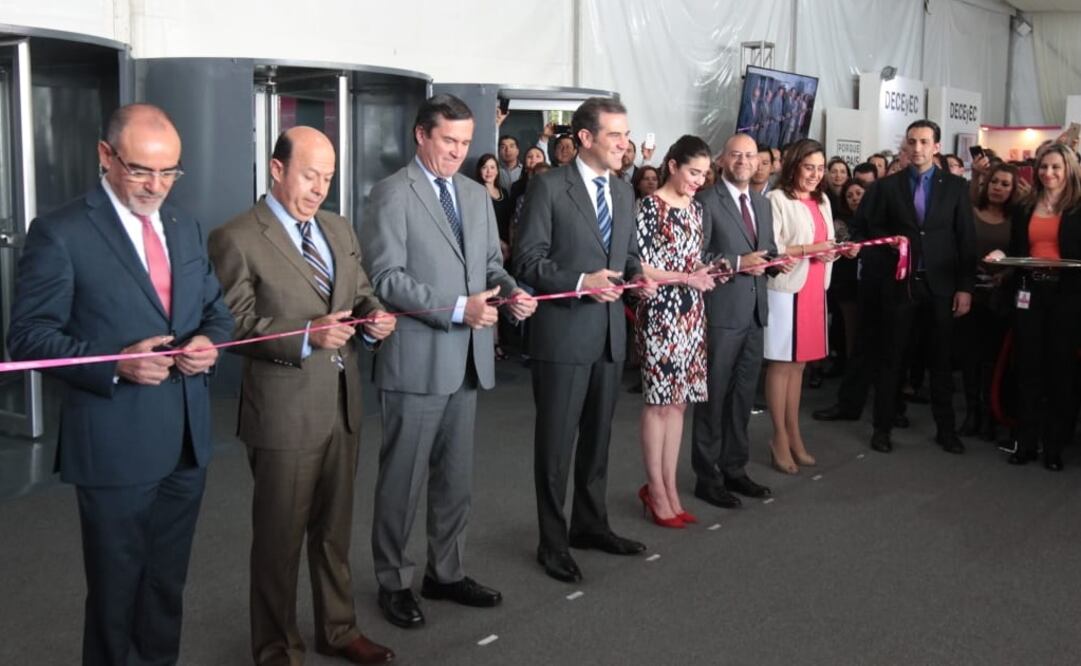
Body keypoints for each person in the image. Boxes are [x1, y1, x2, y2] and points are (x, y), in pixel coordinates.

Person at [7, 103, 234, 665]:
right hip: (113, 444)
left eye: (169, 172)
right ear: (106, 156)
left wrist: (209, 343)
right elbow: (29, 337)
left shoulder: (185, 226)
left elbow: (217, 313)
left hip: (185, 440)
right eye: (140, 170)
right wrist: (114, 362)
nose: (156, 186)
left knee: (165, 588)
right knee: (115, 594)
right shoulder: (60, 232)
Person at [208, 126, 396, 665]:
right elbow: (232, 325)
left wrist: (373, 317)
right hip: (283, 414)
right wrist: (307, 335)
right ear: (276, 169)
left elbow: (360, 294)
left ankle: (338, 630)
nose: (319, 189)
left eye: (328, 178)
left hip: (341, 404)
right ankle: (276, 649)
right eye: (309, 175)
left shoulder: (338, 229)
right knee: (278, 541)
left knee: (333, 533)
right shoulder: (237, 236)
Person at [361, 94, 537, 628]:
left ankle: (446, 571)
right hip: (416, 360)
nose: (457, 153)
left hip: (467, 361)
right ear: (421, 135)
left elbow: (488, 265)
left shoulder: (474, 194)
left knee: (455, 479)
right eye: (448, 142)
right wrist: (460, 309)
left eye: (465, 143)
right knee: (403, 480)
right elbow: (387, 278)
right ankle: (393, 581)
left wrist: (512, 292)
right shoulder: (391, 194)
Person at [514, 97, 657, 584]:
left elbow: (628, 254)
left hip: (610, 337)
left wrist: (640, 275)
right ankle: (552, 544)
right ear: (586, 138)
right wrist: (579, 281)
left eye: (627, 134)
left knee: (598, 441)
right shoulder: (548, 188)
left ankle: (590, 525)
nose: (625, 143)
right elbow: (528, 262)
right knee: (555, 447)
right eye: (616, 135)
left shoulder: (623, 193)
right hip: (563, 334)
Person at [846, 119, 976, 454]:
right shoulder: (887, 187)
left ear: (936, 146)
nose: (916, 148)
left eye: (923, 142)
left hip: (942, 286)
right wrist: (885, 244)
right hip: (899, 286)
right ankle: (882, 428)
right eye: (911, 142)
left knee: (940, 361)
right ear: (905, 146)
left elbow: (966, 240)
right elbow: (864, 229)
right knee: (892, 358)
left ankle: (946, 430)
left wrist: (965, 288)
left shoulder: (956, 188)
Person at [691, 133, 790, 509]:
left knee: (743, 397)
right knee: (713, 397)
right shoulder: (705, 201)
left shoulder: (763, 205)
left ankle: (734, 468)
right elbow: (696, 255)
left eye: (750, 155)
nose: (744, 161)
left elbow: (766, 252)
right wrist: (735, 264)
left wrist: (778, 262)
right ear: (722, 160)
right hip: (720, 312)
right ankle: (707, 476)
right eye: (736, 155)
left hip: (754, 312)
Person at [634, 135, 718, 527]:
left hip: (691, 311)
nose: (698, 180)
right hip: (662, 312)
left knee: (680, 402)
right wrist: (687, 277)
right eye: (692, 172)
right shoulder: (650, 207)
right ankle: (655, 488)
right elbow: (641, 267)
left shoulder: (698, 208)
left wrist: (705, 273)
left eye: (703, 174)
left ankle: (669, 487)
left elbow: (695, 259)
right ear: (672, 165)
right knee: (659, 403)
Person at [763, 140, 858, 473]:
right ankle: (778, 436)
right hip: (787, 289)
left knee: (800, 365)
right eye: (809, 167)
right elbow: (772, 250)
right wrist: (811, 247)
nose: (816, 175)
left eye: (821, 168)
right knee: (781, 364)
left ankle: (794, 434)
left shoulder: (823, 200)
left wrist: (836, 250)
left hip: (816, 287)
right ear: (793, 166)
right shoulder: (776, 199)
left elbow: (826, 242)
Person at [987, 144, 1081, 470]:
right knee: (1026, 368)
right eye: (1044, 167)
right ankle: (1025, 442)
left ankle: (1054, 446)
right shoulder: (1026, 206)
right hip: (1029, 292)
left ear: (1068, 169)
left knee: (1060, 371)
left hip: (1066, 296)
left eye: (1055, 167)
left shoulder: (1078, 207)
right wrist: (1002, 259)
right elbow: (1016, 250)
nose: (1048, 173)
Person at [957, 163, 1017, 441]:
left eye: (1005, 184)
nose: (998, 188)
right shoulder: (971, 213)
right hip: (970, 294)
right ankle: (972, 414)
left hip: (1000, 298)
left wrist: (1003, 276)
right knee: (970, 357)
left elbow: (1020, 256)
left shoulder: (1017, 218)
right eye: (995, 182)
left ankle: (992, 414)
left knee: (994, 361)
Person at [474, 153, 513, 262]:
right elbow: (481, 225)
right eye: (484, 167)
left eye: (492, 167)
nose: (489, 171)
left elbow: (510, 219)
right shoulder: (476, 193)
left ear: (497, 170)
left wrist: (510, 243)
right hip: (488, 244)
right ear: (479, 170)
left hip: (507, 243)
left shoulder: (504, 192)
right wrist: (501, 244)